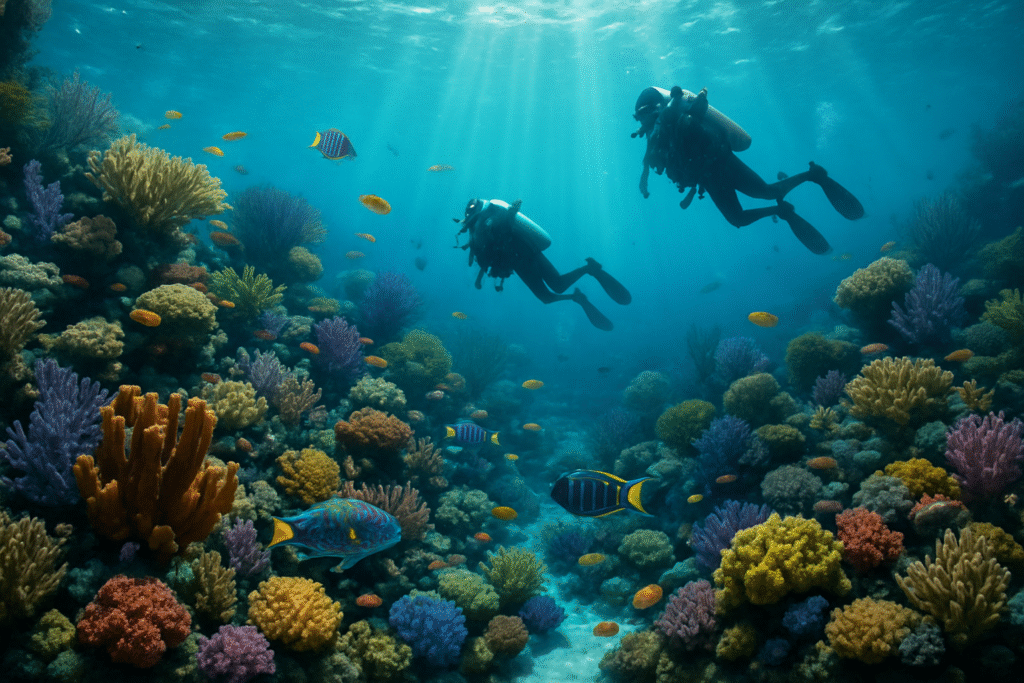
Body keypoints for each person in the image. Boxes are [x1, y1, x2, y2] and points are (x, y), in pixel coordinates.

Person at [632, 86, 865, 254]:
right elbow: (651, 155)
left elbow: (680, 113)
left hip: (724, 164)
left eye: (643, 114)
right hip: (708, 179)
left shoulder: (675, 117)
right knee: (737, 219)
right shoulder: (656, 135)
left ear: (655, 108)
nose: (641, 121)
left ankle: (813, 175)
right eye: (638, 117)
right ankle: (782, 211)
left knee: (766, 192)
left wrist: (676, 103)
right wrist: (644, 175)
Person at [454, 198, 631, 331]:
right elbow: (487, 256)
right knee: (554, 290)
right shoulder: (479, 230)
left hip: (525, 257)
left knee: (553, 291)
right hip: (526, 257)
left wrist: (512, 213)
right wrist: (479, 278)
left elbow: (500, 236)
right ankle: (584, 282)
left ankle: (587, 276)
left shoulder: (484, 224)